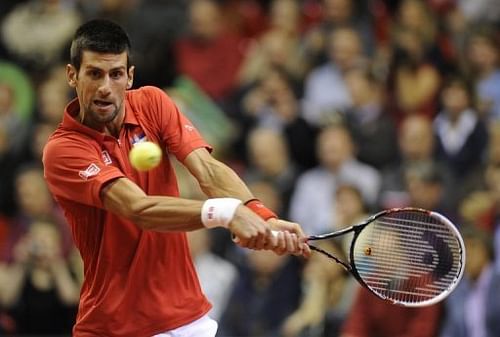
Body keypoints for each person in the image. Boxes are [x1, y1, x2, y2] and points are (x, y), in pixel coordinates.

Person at [41, 19, 310, 337]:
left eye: (115, 74)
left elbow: (207, 169)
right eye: (94, 73)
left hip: (188, 320)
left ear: (130, 77)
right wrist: (225, 212)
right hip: (115, 327)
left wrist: (259, 213)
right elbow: (138, 209)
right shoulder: (63, 150)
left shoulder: (153, 103)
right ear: (72, 75)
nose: (105, 87)